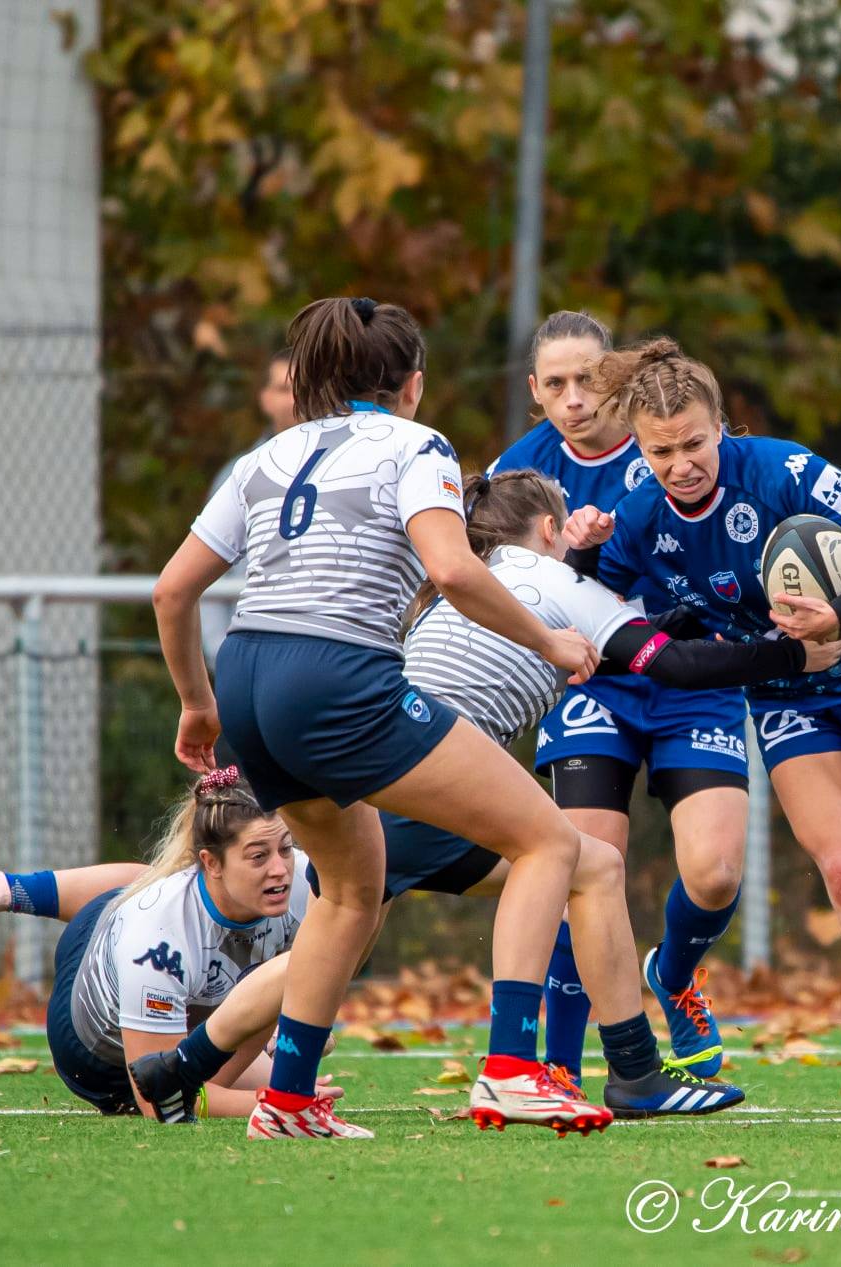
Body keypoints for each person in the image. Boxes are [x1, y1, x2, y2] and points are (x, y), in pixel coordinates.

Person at [131, 471, 841, 1123]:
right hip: (424, 778)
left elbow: (639, 641)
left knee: (334, 943)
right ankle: (608, 1070)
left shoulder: (472, 585)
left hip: (374, 776)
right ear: (548, 529)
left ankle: (178, 1068)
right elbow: (676, 666)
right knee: (580, 863)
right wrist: (791, 653)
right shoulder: (548, 575)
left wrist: (688, 617)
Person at [153, 295, 606, 1141]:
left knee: (354, 890)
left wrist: (197, 702)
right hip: (335, 676)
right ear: (414, 384)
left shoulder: (268, 453)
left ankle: (287, 1100)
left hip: (247, 675)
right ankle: (514, 1069)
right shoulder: (416, 444)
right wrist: (550, 640)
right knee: (549, 841)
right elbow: (454, 570)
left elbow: (173, 590)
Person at [566, 338, 841, 1110]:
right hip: (788, 696)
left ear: (721, 426)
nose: (681, 464)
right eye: (662, 452)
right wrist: (584, 556)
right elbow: (587, 605)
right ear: (640, 449)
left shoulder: (782, 470)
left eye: (695, 443)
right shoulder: (638, 516)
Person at [489, 312, 752, 1083]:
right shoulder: (518, 471)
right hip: (590, 679)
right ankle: (562, 1071)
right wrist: (565, 569)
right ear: (536, 391)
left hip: (688, 672)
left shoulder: (671, 442)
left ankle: (674, 972)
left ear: (616, 378)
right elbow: (487, 574)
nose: (575, 398)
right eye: (556, 384)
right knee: (577, 863)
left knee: (715, 873)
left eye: (587, 378)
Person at [0, 770, 321, 1120]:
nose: (280, 869)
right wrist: (279, 1103)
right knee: (141, 886)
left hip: (189, 1021)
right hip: (95, 1053)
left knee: (281, 988)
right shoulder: (158, 938)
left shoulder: (302, 878)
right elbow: (159, 1098)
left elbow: (341, 941)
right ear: (211, 863)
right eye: (258, 857)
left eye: (286, 848)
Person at [203, 350, 298, 667]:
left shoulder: (349, 469)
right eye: (284, 389)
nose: (295, 399)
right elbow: (206, 574)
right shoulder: (237, 474)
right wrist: (220, 655)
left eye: (304, 388)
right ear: (265, 398)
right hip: (252, 655)